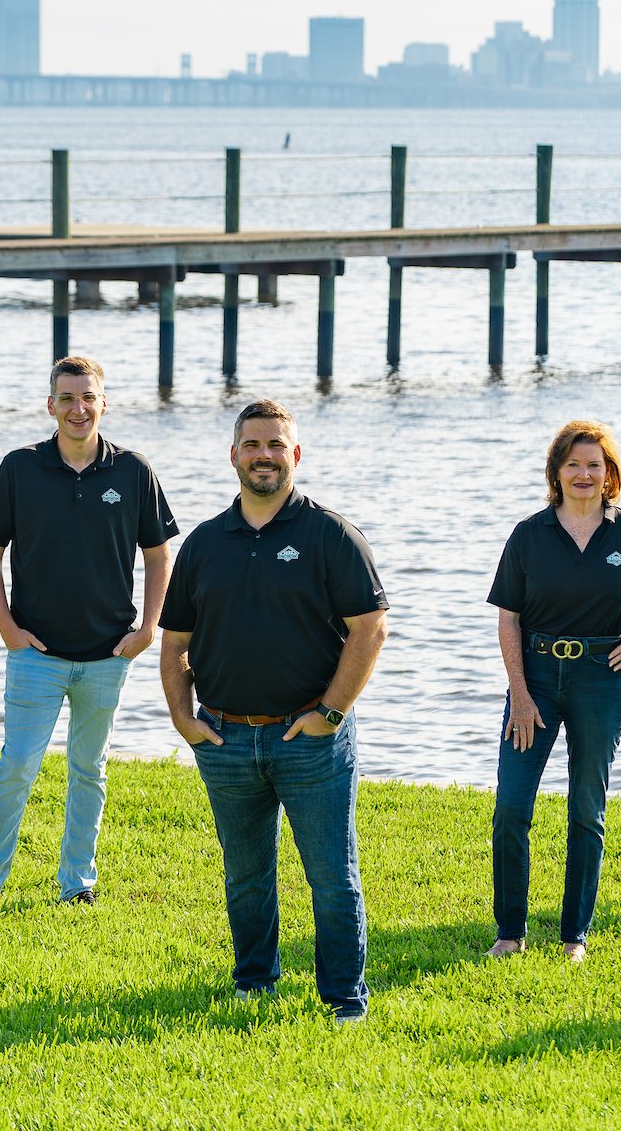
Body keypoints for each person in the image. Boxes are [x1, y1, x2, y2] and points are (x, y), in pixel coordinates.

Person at [161, 398, 389, 1022]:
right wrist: (185, 720)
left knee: (331, 878)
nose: (264, 456)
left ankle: (344, 999)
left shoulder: (330, 535)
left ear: (296, 455)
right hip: (226, 739)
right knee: (246, 876)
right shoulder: (205, 543)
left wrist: (331, 714)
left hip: (310, 739)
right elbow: (175, 642)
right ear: (233, 454)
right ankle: (253, 982)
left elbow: (370, 629)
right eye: (252, 445)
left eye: (276, 445)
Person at [0, 355, 177, 910]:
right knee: (17, 766)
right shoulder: (20, 468)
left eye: (87, 398)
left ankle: (77, 884)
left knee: (90, 769)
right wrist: (8, 628)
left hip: (108, 656)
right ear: (51, 405)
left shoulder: (133, 471)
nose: (77, 409)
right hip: (36, 654)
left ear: (103, 403)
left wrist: (148, 630)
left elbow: (159, 557)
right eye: (66, 399)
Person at [486, 420, 621, 963]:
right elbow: (509, 619)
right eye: (573, 464)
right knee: (510, 808)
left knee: (586, 810)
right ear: (556, 472)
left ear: (609, 474)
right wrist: (520, 695)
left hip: (601, 679)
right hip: (537, 681)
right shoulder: (529, 534)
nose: (583, 474)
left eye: (594, 464)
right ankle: (510, 932)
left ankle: (574, 936)